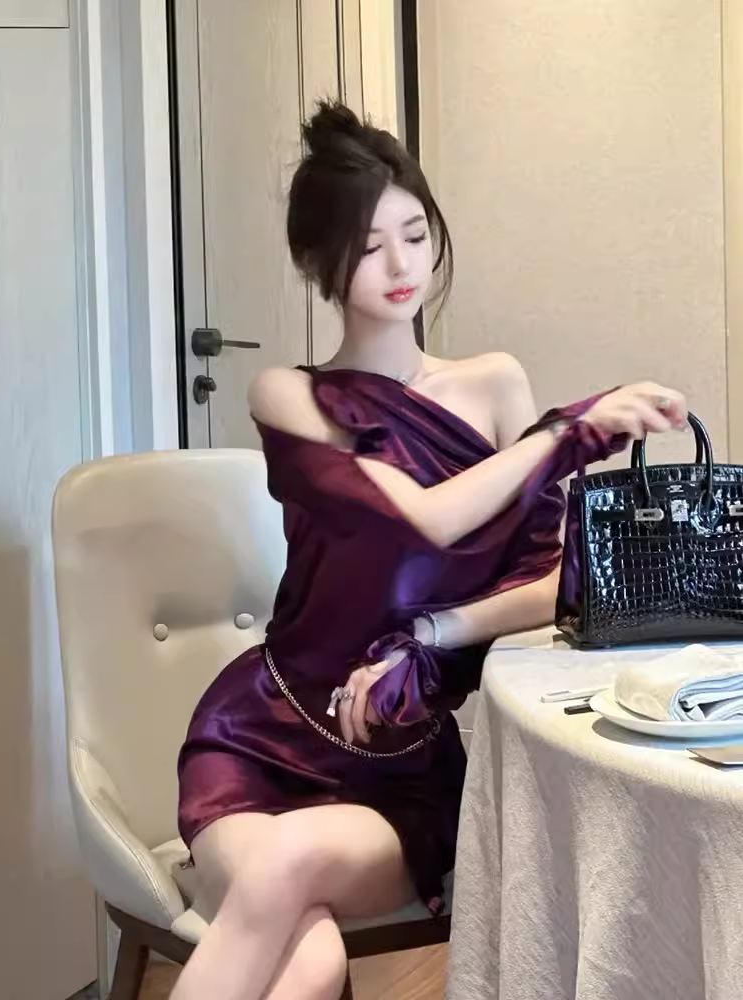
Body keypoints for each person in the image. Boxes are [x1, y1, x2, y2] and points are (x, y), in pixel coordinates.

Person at [171, 101, 687, 1000]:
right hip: (261, 737)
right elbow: (421, 520)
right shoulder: (289, 396)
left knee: (284, 887)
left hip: (397, 767)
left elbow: (551, 580)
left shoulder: (494, 384)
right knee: (311, 956)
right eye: (370, 247)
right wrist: (567, 433)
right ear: (318, 264)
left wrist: (433, 636)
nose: (403, 265)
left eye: (415, 235)